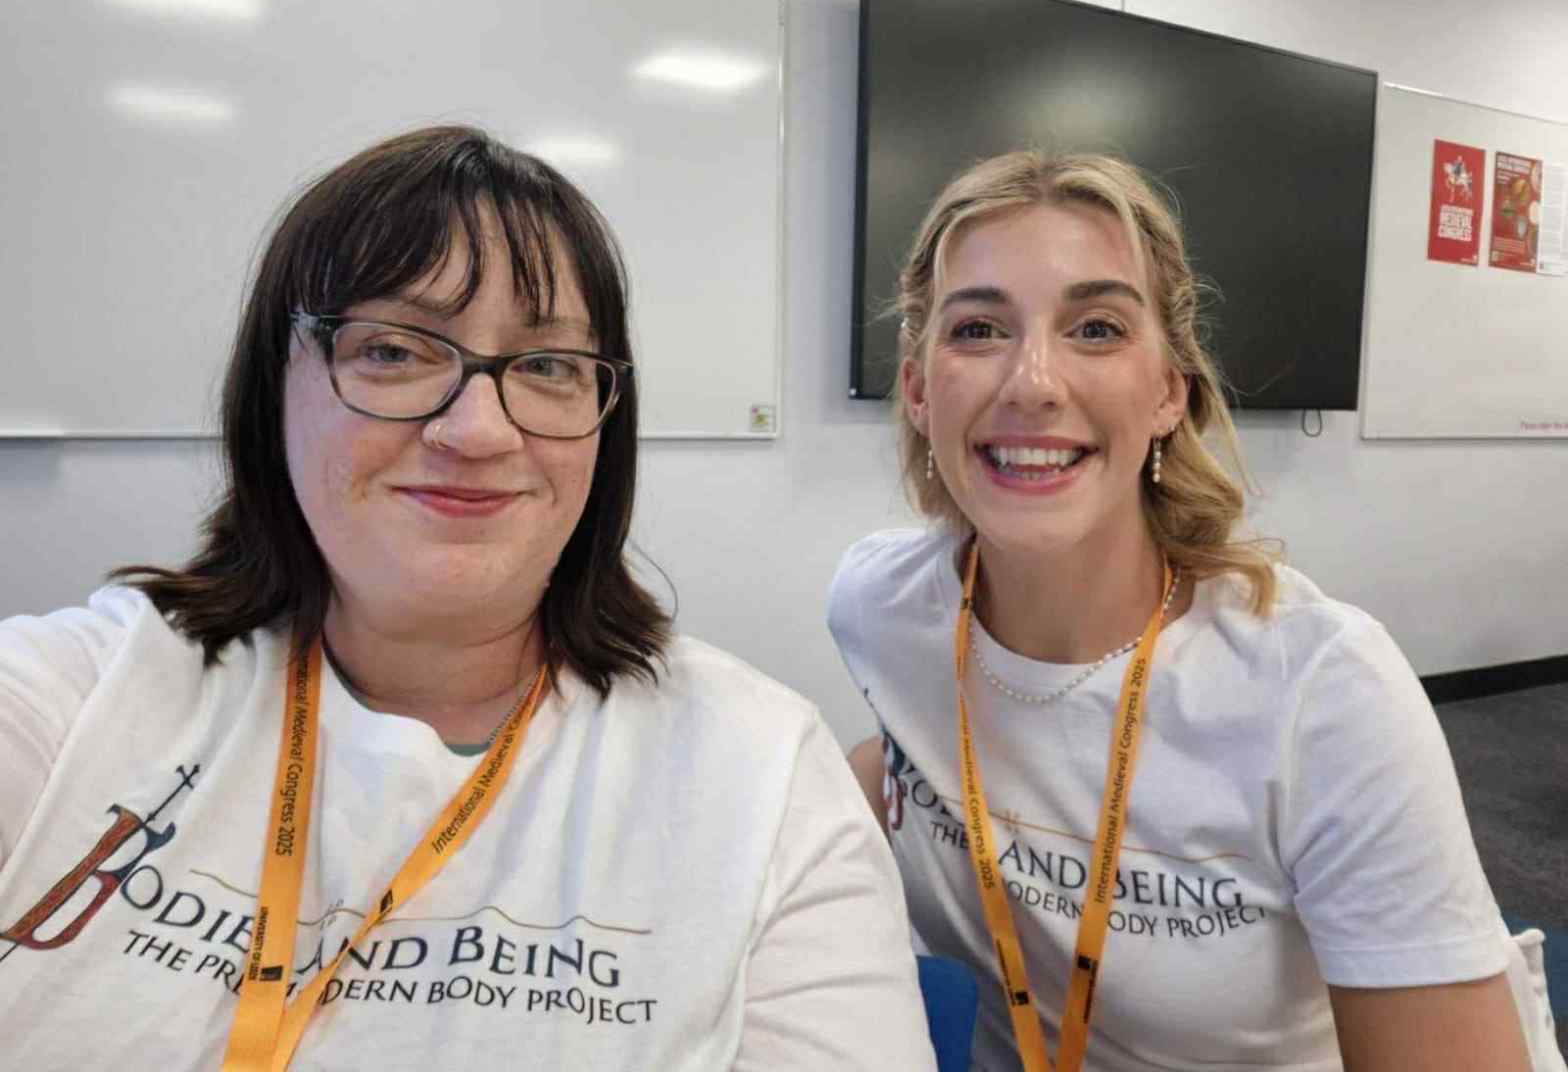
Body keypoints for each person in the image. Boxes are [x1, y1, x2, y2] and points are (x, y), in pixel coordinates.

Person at [0, 125, 937, 1070]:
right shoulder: (72, 698)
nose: (478, 430)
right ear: (271, 387)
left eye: (548, 365)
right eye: (394, 350)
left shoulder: (761, 768)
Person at [830, 151, 1532, 1071]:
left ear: (1170, 391)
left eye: (1095, 328)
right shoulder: (880, 607)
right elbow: (906, 751)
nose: (1033, 382)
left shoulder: (1322, 691)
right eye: (978, 329)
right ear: (921, 392)